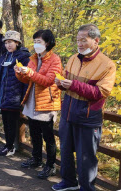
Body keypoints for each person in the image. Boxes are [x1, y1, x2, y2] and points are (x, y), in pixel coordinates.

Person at [52, 24, 116, 191]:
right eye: (77, 40)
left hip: (88, 117)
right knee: (65, 150)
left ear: (96, 41)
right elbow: (66, 81)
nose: (79, 44)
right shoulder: (73, 58)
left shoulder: (107, 64)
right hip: (68, 113)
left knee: (86, 157)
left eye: (83, 40)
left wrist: (73, 85)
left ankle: (86, 188)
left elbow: (100, 92)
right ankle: (68, 181)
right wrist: (60, 83)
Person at [15, 29, 61, 179]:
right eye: (34, 41)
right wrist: (20, 72)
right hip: (32, 102)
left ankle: (50, 165)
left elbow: (48, 81)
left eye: (39, 42)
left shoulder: (55, 60)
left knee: (48, 137)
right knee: (34, 133)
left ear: (47, 43)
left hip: (47, 103)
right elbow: (28, 79)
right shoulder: (33, 58)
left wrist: (29, 72)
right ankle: (36, 159)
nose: (36, 44)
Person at [0, 30, 30, 156]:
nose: (8, 45)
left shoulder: (23, 57)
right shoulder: (4, 57)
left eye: (11, 42)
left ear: (17, 43)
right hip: (3, 95)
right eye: (6, 42)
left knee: (12, 123)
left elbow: (26, 80)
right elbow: (1, 77)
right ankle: (8, 145)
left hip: (15, 96)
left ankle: (10, 147)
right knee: (6, 121)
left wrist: (24, 98)